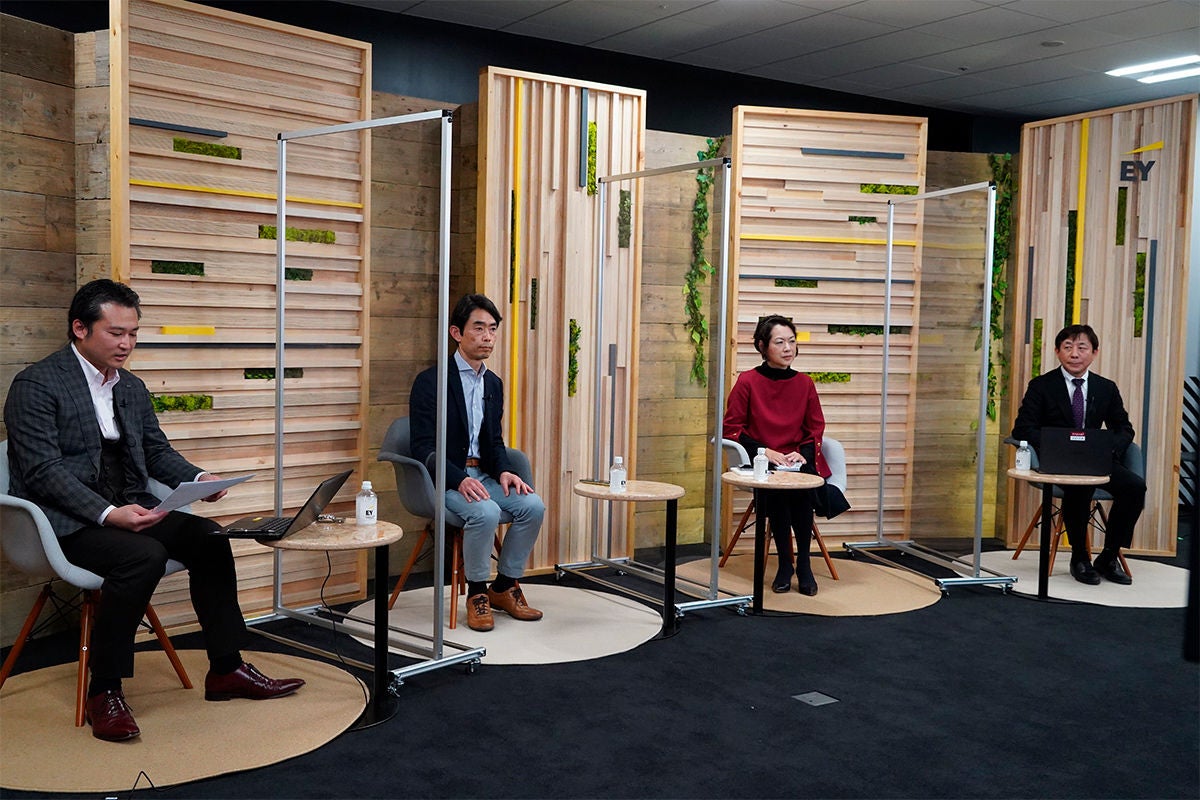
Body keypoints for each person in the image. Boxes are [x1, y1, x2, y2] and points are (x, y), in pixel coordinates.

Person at [3, 280, 304, 742]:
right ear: (80, 328)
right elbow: (43, 472)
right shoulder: (36, 385)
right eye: (115, 333)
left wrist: (198, 478)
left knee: (209, 538)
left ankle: (227, 668)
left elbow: (155, 451)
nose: (126, 344)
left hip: (129, 507)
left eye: (133, 334)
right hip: (61, 522)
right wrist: (108, 513)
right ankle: (104, 690)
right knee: (141, 556)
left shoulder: (131, 387)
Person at [410, 294, 545, 631]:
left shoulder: (493, 383)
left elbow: (494, 442)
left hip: (482, 475)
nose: (488, 337)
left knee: (533, 506)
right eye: (479, 328)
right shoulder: (431, 382)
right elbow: (422, 447)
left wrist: (505, 471)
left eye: (493, 329)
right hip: (444, 478)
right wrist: (458, 479)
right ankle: (477, 594)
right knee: (484, 512)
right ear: (457, 333)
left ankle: (504, 587)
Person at [1012, 323, 1146, 585]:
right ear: (1057, 351)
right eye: (1068, 347)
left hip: (1097, 459)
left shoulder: (1106, 388)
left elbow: (1123, 428)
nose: (1074, 354)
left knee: (1135, 487)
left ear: (1094, 352)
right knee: (1080, 486)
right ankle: (1080, 558)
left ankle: (1108, 557)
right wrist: (1057, 442)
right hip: (1058, 460)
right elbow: (1022, 428)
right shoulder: (1041, 386)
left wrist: (1108, 448)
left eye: (1082, 347)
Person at [723, 314, 830, 595]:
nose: (788, 348)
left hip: (796, 461)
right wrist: (764, 451)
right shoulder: (747, 381)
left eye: (792, 341)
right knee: (780, 492)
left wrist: (802, 454)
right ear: (762, 346)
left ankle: (804, 564)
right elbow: (731, 428)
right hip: (764, 462)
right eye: (779, 342)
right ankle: (785, 564)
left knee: (801, 488)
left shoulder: (805, 383)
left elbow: (815, 427)